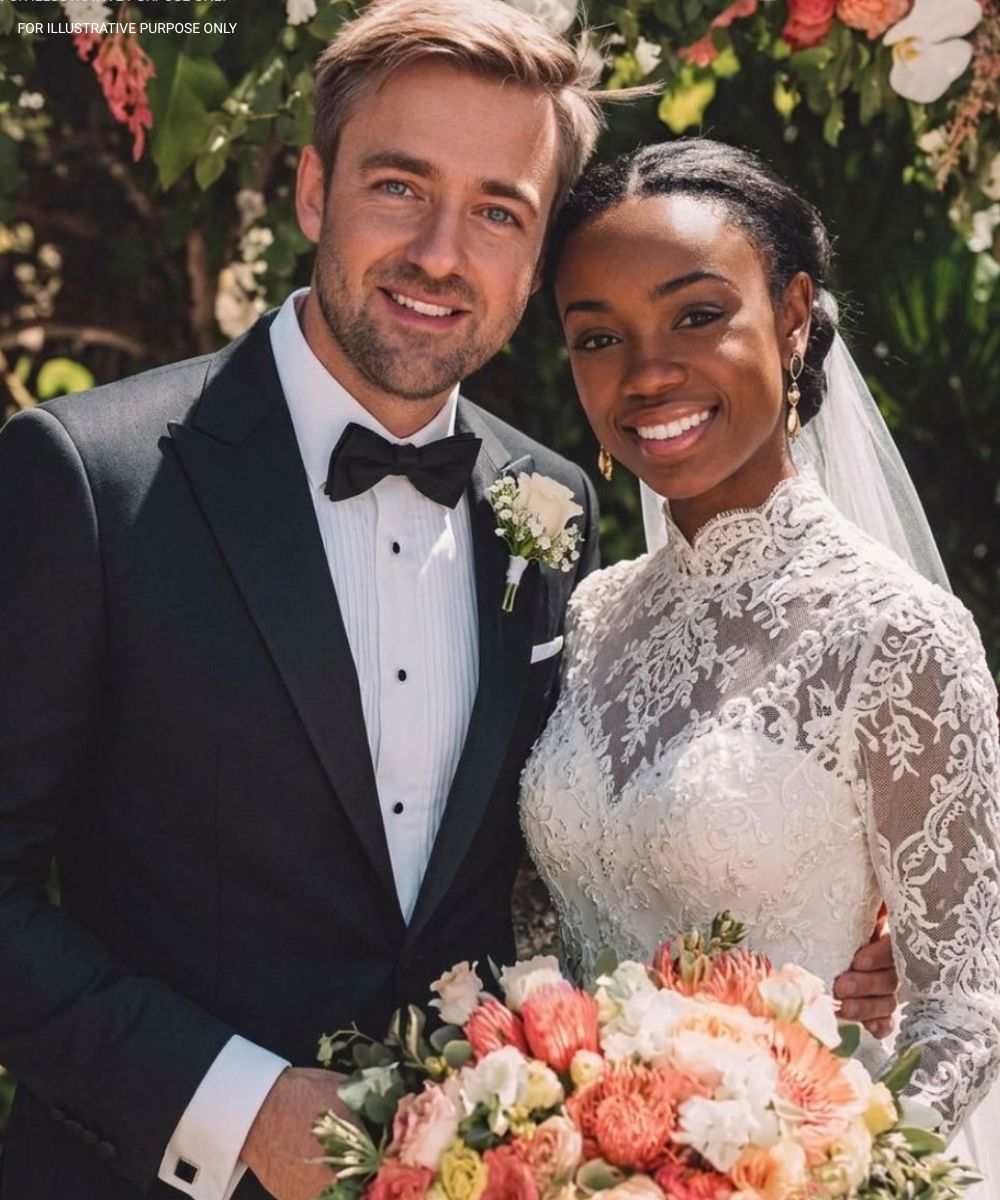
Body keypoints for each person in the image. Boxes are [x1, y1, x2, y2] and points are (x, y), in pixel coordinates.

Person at [0, 6, 899, 1199]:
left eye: (497, 212)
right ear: (314, 191)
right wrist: (235, 1107)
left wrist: (834, 967)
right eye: (399, 187)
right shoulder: (89, 477)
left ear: (535, 256)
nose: (439, 252)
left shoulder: (556, 504)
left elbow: (586, 854)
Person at [520, 138, 1000, 1191]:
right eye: (598, 336)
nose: (647, 373)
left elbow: (965, 1010)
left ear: (790, 316)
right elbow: (546, 932)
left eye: (697, 316)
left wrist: (824, 1174)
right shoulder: (592, 615)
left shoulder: (897, 634)